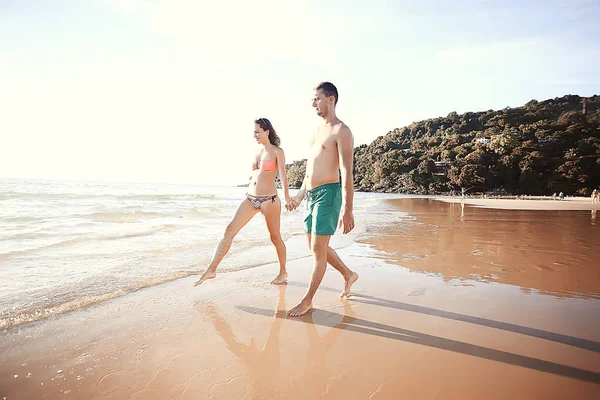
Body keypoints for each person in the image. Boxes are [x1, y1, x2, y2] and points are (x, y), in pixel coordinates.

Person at [286, 82, 359, 317]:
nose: (313, 103)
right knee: (316, 247)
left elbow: (347, 173)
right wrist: (298, 197)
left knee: (318, 249)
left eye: (317, 98)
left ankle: (307, 301)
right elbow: (309, 171)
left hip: (329, 192)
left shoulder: (342, 131)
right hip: (311, 195)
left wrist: (348, 210)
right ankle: (348, 274)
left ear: (331, 99)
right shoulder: (316, 132)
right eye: (312, 99)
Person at [195, 118, 294, 286]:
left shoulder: (277, 151)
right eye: (254, 132)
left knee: (275, 237)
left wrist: (287, 197)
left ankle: (283, 272)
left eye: (257, 132)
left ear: (266, 131)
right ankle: (211, 269)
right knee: (229, 230)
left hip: (268, 200)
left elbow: (283, 176)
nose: (254, 135)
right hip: (250, 198)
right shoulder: (256, 152)